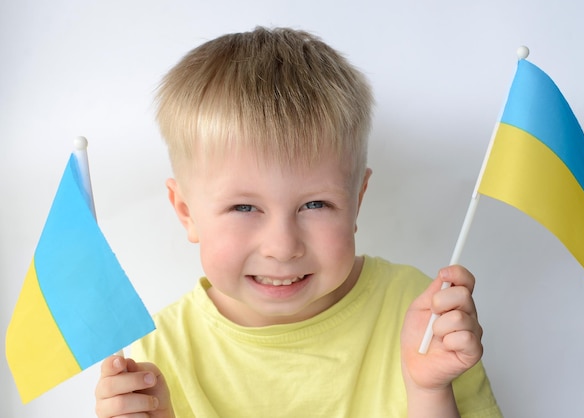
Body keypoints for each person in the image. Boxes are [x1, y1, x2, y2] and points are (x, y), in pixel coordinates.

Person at [95, 27, 502, 417]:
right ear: (186, 212)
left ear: (357, 202)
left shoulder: (420, 314)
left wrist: (428, 390)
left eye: (315, 205)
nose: (282, 246)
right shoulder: (152, 358)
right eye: (243, 208)